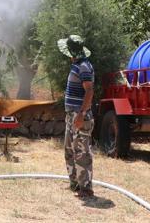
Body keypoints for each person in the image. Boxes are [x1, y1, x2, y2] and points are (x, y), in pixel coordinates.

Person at [58, 34, 96, 198]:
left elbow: (89, 90)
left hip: (80, 116)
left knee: (81, 152)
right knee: (70, 150)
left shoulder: (84, 67)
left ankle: (86, 189)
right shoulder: (78, 65)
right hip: (71, 116)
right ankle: (75, 184)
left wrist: (81, 114)